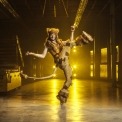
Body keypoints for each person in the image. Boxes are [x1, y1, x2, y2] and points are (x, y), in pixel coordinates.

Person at [26, 26, 93, 104]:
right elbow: (42, 56)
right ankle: (86, 39)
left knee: (69, 80)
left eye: (53, 34)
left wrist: (72, 31)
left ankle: (62, 95)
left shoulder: (59, 42)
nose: (52, 36)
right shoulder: (48, 45)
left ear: (56, 35)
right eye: (51, 34)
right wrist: (32, 53)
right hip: (61, 60)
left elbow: (71, 42)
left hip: (66, 61)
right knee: (68, 43)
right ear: (49, 35)